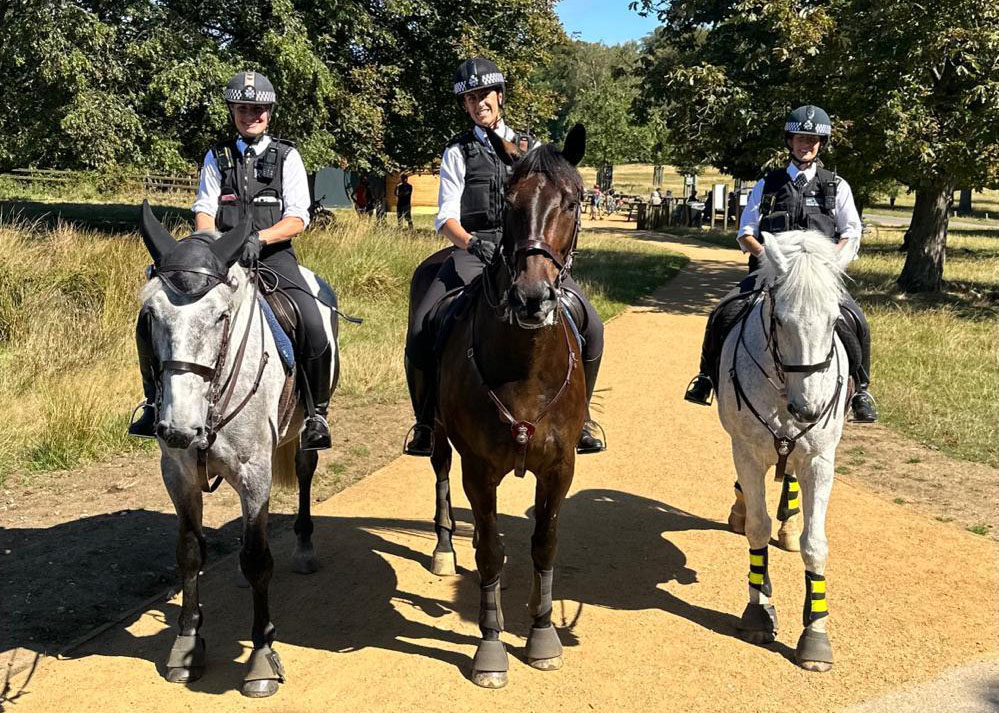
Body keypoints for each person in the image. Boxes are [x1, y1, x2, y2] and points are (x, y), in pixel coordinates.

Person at [403, 57, 606, 457]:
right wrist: (471, 242)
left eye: (485, 96)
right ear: (464, 105)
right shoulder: (457, 152)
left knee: (594, 326)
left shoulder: (532, 149)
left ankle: (580, 421)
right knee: (424, 326)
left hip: (529, 251)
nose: (479, 104)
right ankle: (426, 421)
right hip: (474, 248)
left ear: (500, 97)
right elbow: (445, 216)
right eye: (470, 98)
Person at [129, 71, 335, 450]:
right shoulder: (216, 156)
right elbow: (205, 211)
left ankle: (317, 413)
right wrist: (214, 248)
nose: (250, 115)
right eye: (243, 108)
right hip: (220, 262)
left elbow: (298, 217)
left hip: (273, 257)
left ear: (269, 113)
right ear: (233, 111)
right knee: (152, 318)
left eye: (258, 109)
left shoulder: (287, 156)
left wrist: (261, 238)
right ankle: (152, 402)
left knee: (311, 322)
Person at [683, 105, 878, 423]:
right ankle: (705, 377)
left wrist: (831, 264)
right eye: (801, 138)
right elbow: (746, 233)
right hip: (769, 275)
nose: (807, 145)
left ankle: (861, 391)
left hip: (818, 281)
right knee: (724, 310)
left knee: (855, 318)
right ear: (790, 141)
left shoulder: (836, 187)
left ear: (821, 145)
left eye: (814, 140)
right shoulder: (767, 185)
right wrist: (770, 261)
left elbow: (851, 232)